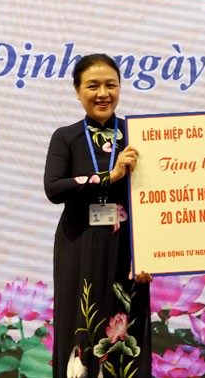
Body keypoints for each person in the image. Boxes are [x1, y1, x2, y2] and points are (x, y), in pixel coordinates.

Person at [44, 53, 153, 378]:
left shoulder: (139, 136)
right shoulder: (66, 137)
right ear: (77, 91)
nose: (103, 94)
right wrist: (109, 177)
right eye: (93, 86)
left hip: (127, 251)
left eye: (111, 85)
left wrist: (149, 254)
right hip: (79, 246)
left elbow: (153, 199)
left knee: (127, 335)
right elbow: (54, 188)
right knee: (80, 325)